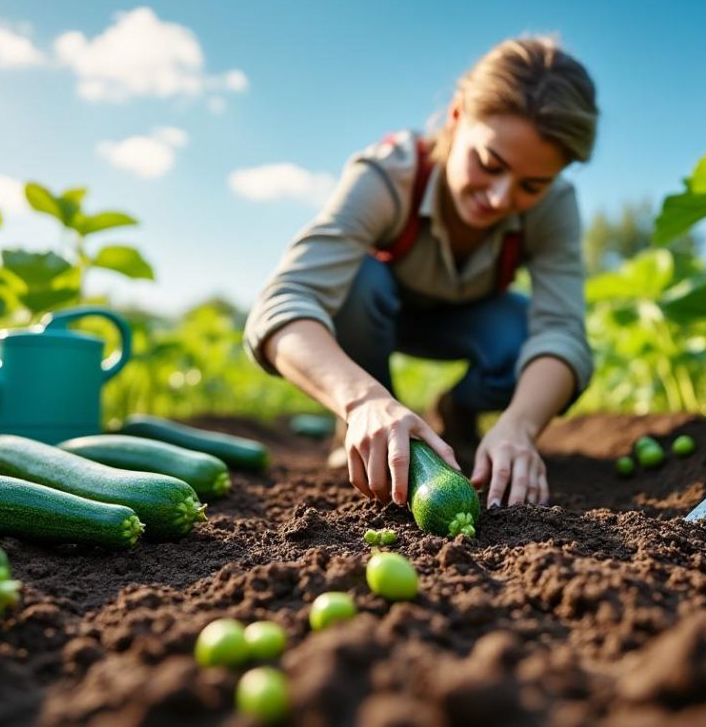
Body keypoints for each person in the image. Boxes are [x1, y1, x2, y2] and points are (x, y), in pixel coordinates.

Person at [244, 36, 597, 510]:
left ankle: (460, 411)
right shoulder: (388, 176)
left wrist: (520, 425)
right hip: (373, 315)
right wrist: (363, 399)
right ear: (456, 117)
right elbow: (282, 307)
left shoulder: (555, 209)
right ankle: (367, 426)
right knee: (356, 281)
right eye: (489, 163)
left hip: (468, 322)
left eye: (532, 185)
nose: (499, 198)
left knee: (523, 338)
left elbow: (562, 333)